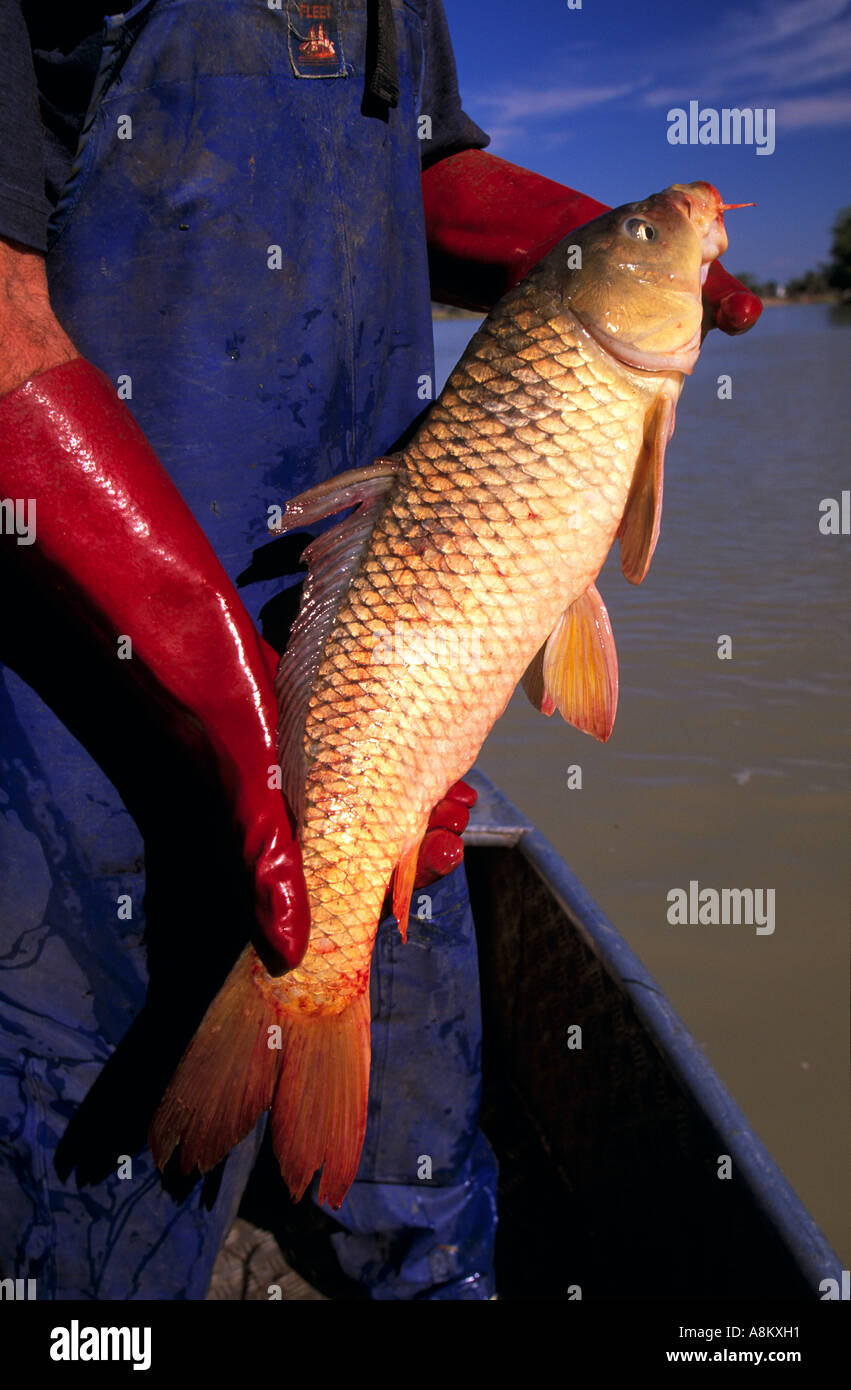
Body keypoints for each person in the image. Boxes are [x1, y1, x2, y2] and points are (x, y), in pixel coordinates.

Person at [0, 0, 760, 1301]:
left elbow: (415, 175)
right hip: (92, 672)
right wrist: (208, 666)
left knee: (419, 1188)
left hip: (381, 651)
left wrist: (610, 246)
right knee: (93, 1247)